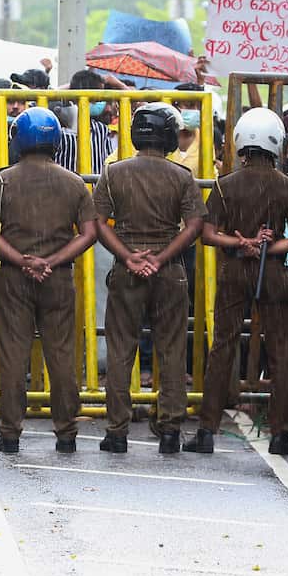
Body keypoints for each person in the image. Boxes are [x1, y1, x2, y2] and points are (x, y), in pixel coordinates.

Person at [185, 108, 288, 455]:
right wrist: (267, 247)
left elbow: (208, 235)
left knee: (222, 347)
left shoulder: (225, 185)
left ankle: (207, 430)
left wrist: (242, 244)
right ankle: (281, 433)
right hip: (274, 273)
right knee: (281, 351)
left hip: (235, 271)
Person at [0, 108, 98, 453]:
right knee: (61, 356)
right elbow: (89, 234)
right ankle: (66, 432)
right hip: (58, 278)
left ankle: (10, 433)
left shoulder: (2, 181)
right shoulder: (74, 183)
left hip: (14, 278)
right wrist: (52, 260)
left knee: (13, 355)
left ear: (19, 139)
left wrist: (22, 260)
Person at [93, 102, 205, 454]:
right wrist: (162, 257)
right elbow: (195, 226)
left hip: (127, 266)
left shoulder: (114, 172)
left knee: (121, 349)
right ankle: (170, 430)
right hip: (169, 270)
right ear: (170, 135)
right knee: (171, 349)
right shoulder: (182, 176)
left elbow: (97, 223)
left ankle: (116, 431)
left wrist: (127, 256)